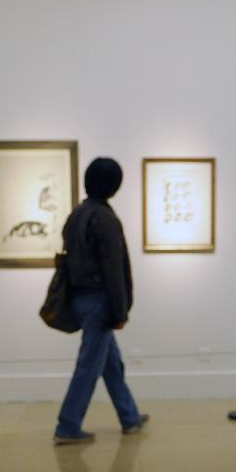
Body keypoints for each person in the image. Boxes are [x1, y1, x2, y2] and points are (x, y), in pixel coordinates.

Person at [54, 158, 148, 444]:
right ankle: (67, 425)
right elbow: (114, 269)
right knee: (89, 367)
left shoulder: (78, 213)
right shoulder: (105, 217)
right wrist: (120, 310)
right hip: (100, 302)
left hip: (82, 299)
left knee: (111, 363)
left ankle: (129, 416)